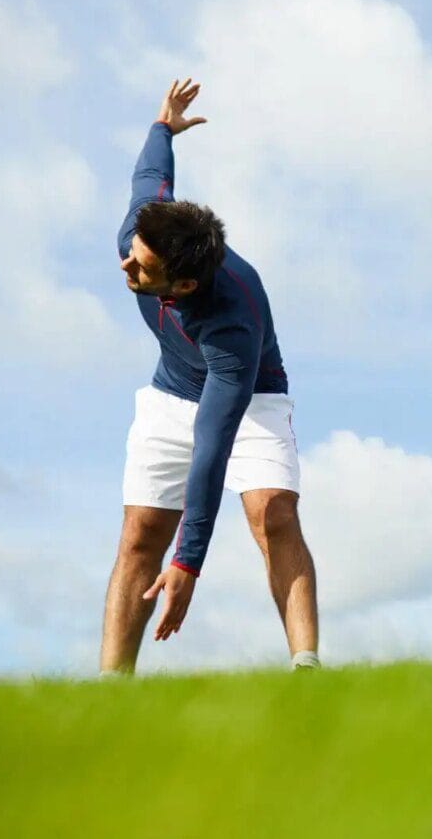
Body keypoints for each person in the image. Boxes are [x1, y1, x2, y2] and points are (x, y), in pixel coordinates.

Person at [100, 79, 321, 673]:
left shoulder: (232, 325)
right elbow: (149, 181)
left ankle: (306, 668)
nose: (126, 264)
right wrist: (162, 130)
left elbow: (211, 448)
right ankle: (109, 691)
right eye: (132, 251)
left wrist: (188, 563)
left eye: (142, 267)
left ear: (186, 285)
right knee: (140, 533)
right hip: (171, 391)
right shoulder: (139, 236)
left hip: (249, 400)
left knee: (272, 511)